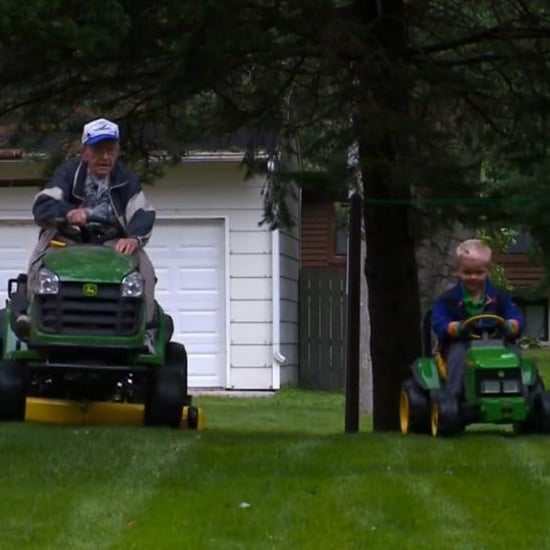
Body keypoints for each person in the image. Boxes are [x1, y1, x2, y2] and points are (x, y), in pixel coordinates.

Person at [18, 117, 157, 334]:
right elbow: (42, 205)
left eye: (110, 150)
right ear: (85, 152)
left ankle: (146, 327)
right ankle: (29, 314)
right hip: (67, 237)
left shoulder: (126, 180)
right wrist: (67, 213)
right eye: (98, 150)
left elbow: (143, 212)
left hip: (111, 241)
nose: (105, 157)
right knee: (40, 259)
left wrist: (133, 238)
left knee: (144, 267)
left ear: (117, 152)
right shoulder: (68, 175)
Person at [431, 238, 524, 397]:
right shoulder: (448, 299)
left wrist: (512, 325)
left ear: (488, 271)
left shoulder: (500, 297)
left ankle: (521, 394)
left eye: (479, 273)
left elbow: (514, 315)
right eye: (467, 272)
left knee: (514, 354)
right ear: (457, 271)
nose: (473, 277)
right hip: (462, 343)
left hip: (498, 343)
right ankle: (454, 396)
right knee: (459, 355)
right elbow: (439, 321)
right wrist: (454, 328)